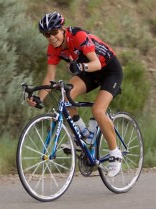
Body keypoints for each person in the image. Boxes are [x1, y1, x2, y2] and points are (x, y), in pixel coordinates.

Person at [27, 12, 123, 177]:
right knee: (65, 96)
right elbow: (50, 77)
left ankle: (115, 154)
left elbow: (96, 63)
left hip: (108, 71)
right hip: (88, 72)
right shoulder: (53, 48)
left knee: (98, 111)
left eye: (54, 32)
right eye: (46, 34)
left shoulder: (78, 36)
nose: (51, 37)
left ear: (62, 29)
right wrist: (38, 98)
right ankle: (84, 136)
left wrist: (81, 68)